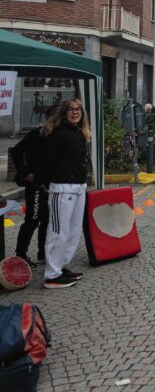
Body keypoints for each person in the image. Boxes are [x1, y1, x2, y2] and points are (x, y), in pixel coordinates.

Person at [38, 98, 90, 289]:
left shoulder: (80, 133)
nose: (75, 113)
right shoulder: (57, 134)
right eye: (71, 110)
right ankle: (52, 274)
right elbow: (47, 160)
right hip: (61, 187)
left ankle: (60, 267)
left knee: (73, 232)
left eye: (78, 110)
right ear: (64, 112)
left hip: (78, 187)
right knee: (58, 232)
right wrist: (45, 181)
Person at [11, 106, 57, 267]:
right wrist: (25, 172)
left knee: (47, 219)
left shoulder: (59, 136)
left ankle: (43, 253)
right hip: (36, 185)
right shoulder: (38, 134)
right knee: (33, 219)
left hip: (50, 185)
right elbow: (16, 151)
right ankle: (21, 255)